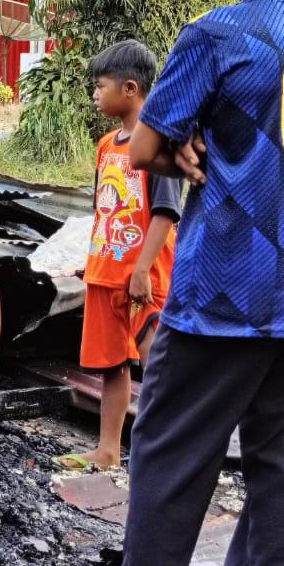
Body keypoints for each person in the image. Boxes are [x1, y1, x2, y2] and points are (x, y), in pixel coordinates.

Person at [75, 0, 284, 566]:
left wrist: (180, 148)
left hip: (222, 294)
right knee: (278, 482)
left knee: (168, 472)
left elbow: (144, 149)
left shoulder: (218, 33)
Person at [53, 41, 180, 474]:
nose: (94, 93)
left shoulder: (157, 142)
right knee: (111, 365)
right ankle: (108, 449)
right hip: (106, 272)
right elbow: (104, 210)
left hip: (143, 276)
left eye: (99, 85)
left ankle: (167, 453)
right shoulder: (107, 144)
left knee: (157, 365)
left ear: (129, 87)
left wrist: (142, 268)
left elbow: (165, 211)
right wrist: (91, 261)